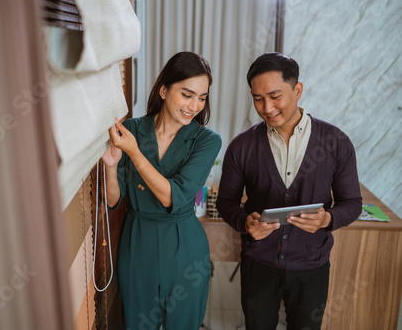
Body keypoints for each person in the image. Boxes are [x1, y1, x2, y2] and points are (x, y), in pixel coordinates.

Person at [216, 52, 362, 330]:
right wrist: (245, 224)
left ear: (298, 90)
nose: (267, 107)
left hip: (312, 266)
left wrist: (327, 220)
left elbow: (352, 202)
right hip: (258, 264)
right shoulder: (242, 146)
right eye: (258, 98)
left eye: (275, 96)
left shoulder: (336, 142)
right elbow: (226, 202)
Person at [102, 51, 222, 330]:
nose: (194, 105)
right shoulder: (131, 129)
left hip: (184, 248)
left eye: (202, 97)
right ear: (164, 89)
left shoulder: (206, 141)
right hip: (137, 243)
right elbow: (113, 200)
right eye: (187, 94)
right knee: (137, 323)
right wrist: (111, 166)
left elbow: (173, 196)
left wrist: (134, 153)